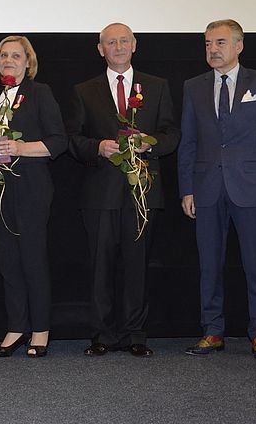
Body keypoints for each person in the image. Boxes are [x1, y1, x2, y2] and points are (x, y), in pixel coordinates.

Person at [66, 23, 180, 357]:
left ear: (134, 45)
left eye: (123, 41)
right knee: (100, 268)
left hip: (143, 191)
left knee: (137, 266)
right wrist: (97, 147)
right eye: (111, 42)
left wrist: (149, 143)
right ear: (100, 49)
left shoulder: (157, 86)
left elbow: (172, 134)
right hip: (99, 194)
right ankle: (101, 334)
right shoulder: (83, 90)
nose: (118, 47)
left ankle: (135, 335)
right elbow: (72, 138)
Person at [178, 19, 256, 361]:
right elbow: (188, 143)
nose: (213, 49)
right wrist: (187, 189)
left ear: (239, 46)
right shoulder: (193, 87)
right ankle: (212, 331)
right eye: (208, 43)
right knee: (209, 265)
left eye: (220, 42)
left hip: (251, 188)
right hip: (206, 188)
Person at [0, 36, 66, 357]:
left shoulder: (40, 93)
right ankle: (16, 327)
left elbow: (58, 142)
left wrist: (20, 148)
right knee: (8, 260)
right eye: (3, 56)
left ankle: (40, 330)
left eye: (15, 56)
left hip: (31, 187)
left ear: (28, 62)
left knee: (32, 258)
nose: (8, 61)